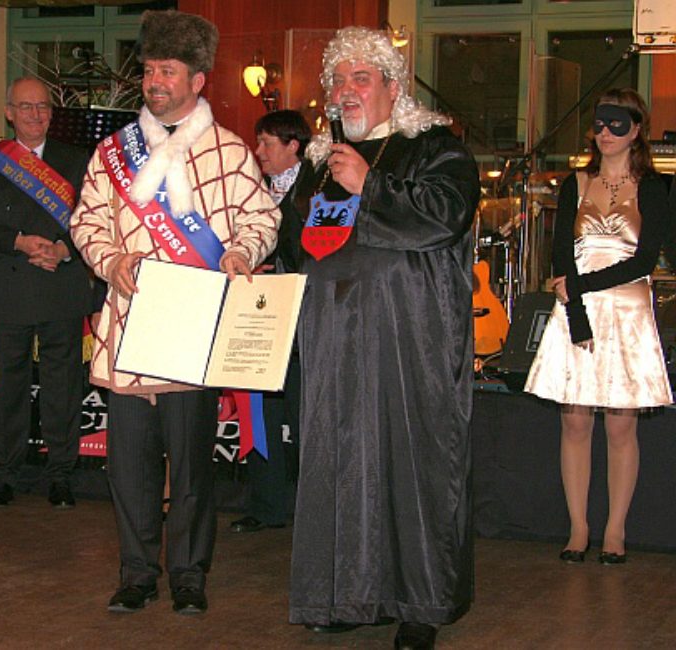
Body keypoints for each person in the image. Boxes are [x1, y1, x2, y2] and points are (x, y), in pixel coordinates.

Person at [70, 10, 280, 616]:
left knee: (191, 468)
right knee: (129, 468)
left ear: (198, 80)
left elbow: (262, 218)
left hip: (195, 330)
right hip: (130, 327)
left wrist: (241, 250)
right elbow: (86, 220)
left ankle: (189, 575)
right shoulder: (113, 153)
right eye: (151, 69)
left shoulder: (229, 152)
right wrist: (110, 262)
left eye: (169, 70)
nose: (156, 80)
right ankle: (136, 573)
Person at [287, 27, 480, 650]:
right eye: (337, 81)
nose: (346, 91)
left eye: (361, 78)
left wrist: (369, 182)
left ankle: (419, 603)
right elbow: (298, 239)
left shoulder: (435, 147)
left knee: (413, 462)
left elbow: (442, 217)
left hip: (410, 338)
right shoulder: (319, 162)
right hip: (334, 337)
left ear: (393, 88)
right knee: (338, 463)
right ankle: (348, 595)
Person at [525, 88, 672, 565]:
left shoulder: (653, 186)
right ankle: (578, 527)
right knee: (574, 420)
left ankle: (615, 530)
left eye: (616, 124)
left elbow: (646, 259)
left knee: (621, 425)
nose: (604, 133)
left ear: (636, 128)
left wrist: (583, 284)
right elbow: (561, 250)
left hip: (627, 312)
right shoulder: (577, 181)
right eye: (600, 124)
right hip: (576, 307)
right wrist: (576, 306)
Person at [0, 77, 93, 509]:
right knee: (10, 388)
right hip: (11, 285)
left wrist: (62, 249)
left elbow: (93, 221)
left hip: (60, 283)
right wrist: (19, 242)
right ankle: (3, 474)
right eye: (25, 107)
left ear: (51, 114)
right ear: (9, 112)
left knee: (62, 388)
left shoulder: (76, 160)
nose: (35, 115)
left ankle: (61, 475)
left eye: (42, 107)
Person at [229, 110, 311, 534]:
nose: (258, 152)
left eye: (267, 144)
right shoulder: (251, 192)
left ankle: (312, 508)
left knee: (304, 417)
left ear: (293, 145)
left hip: (303, 323)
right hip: (259, 318)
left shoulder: (318, 190)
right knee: (259, 413)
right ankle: (265, 505)